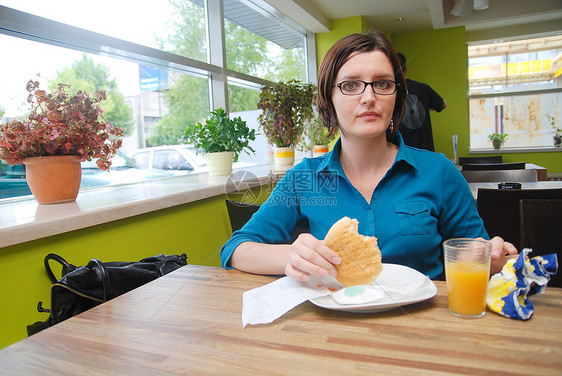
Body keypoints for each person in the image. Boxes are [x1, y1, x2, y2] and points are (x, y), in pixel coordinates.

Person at [220, 30, 517, 282]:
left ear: (396, 96)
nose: (369, 97)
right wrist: (291, 255)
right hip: (334, 329)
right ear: (329, 99)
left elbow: (478, 254)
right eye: (350, 85)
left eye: (383, 84)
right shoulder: (304, 178)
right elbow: (235, 249)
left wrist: (492, 260)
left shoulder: (439, 172)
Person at [397, 52, 446, 152]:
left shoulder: (389, 93)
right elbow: (443, 104)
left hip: (402, 154)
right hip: (426, 154)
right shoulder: (422, 88)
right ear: (405, 70)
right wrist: (422, 105)